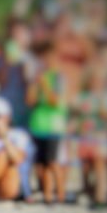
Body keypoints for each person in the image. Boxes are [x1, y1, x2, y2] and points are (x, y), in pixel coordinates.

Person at [27, 42, 70, 204]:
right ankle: (47, 197)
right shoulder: (39, 77)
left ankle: (61, 195)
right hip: (38, 124)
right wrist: (33, 83)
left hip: (53, 126)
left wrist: (43, 83)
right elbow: (30, 101)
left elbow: (54, 100)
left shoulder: (58, 77)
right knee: (41, 164)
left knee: (53, 162)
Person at [73, 67, 107, 205]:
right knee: (85, 166)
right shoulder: (82, 96)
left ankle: (101, 195)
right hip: (84, 135)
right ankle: (87, 191)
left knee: (100, 165)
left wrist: (101, 101)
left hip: (99, 135)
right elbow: (75, 111)